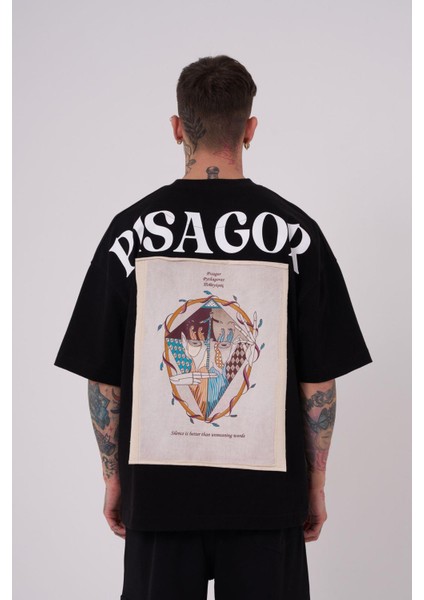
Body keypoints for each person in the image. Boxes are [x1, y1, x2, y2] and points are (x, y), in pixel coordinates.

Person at [54, 55, 372, 600]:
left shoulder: (130, 231)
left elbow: (103, 378)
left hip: (159, 492)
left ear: (177, 127)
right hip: (267, 497)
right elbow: (318, 381)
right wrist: (316, 484)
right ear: (250, 129)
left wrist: (113, 478)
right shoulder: (296, 233)